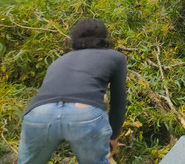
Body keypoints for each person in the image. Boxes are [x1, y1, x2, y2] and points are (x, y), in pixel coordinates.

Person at [17, 18, 127, 164]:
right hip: (83, 113)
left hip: (39, 113)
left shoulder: (59, 61)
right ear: (104, 38)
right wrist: (113, 136)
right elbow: (119, 104)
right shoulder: (115, 57)